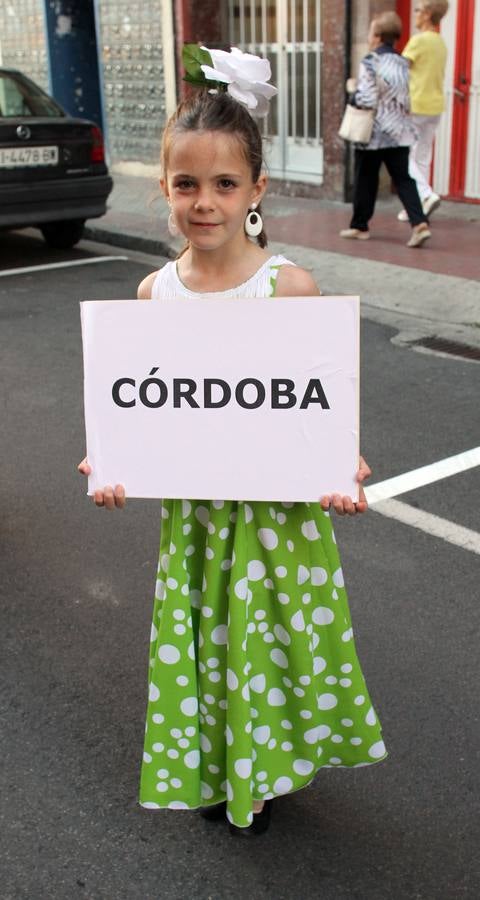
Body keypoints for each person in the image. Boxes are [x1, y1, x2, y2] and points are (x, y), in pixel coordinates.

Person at [79, 47, 387, 836]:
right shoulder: (155, 292)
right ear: (164, 191)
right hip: (199, 523)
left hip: (278, 523)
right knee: (209, 653)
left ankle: (267, 771)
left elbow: (317, 405)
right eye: (187, 184)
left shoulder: (289, 287)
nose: (204, 202)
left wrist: (339, 464)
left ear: (257, 190)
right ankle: (219, 768)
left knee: (271, 653)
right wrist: (110, 457)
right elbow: (140, 406)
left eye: (224, 184)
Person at [340, 11, 431, 248]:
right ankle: (419, 223)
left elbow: (367, 99)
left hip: (373, 133)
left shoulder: (371, 62)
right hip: (399, 131)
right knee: (403, 179)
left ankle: (360, 226)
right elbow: (405, 99)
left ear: (378, 36)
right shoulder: (403, 62)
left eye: (371, 32)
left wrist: (353, 92)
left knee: (365, 178)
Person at [397, 1, 449, 222]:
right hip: (435, 106)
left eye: (418, 11)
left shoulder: (418, 41)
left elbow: (400, 71)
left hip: (416, 105)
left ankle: (426, 194)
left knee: (403, 156)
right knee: (422, 157)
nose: (415, 15)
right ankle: (416, 207)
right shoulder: (440, 42)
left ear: (427, 14)